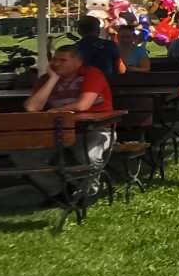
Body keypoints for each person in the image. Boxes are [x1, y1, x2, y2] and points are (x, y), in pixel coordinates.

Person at [20, 43, 116, 195]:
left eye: (62, 60)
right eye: (54, 60)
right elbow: (31, 107)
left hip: (92, 130)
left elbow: (83, 105)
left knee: (86, 154)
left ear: (78, 62)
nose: (56, 63)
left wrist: (56, 111)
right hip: (58, 132)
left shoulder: (92, 74)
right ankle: (58, 191)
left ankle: (89, 192)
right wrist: (53, 79)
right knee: (23, 156)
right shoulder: (46, 79)